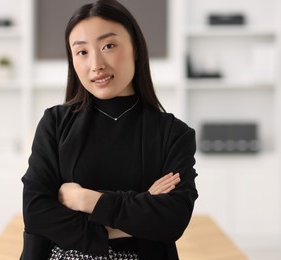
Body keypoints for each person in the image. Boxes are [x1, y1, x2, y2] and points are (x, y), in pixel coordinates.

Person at [20, 0, 198, 259]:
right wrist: (133, 216)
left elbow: (172, 219)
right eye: (82, 52)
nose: (96, 64)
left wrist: (85, 200)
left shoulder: (173, 134)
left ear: (135, 48)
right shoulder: (55, 123)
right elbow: (36, 213)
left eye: (108, 46)